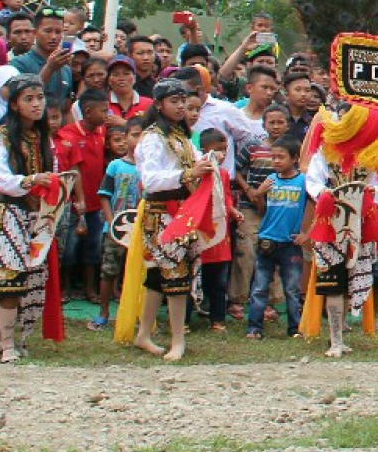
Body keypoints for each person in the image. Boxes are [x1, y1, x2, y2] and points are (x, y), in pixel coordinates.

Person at [119, 78, 215, 361]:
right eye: (174, 101)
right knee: (174, 276)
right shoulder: (152, 138)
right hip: (162, 211)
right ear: (159, 105)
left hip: (181, 210)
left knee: (157, 277)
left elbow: (193, 162)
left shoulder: (180, 135)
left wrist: (206, 164)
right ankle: (177, 340)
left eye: (183, 101)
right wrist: (188, 175)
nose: (181, 106)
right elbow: (150, 179)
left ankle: (145, 335)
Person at [0, 75, 61, 363]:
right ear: (13, 104)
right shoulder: (1, 137)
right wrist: (32, 180)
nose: (37, 104)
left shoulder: (43, 138)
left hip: (35, 214)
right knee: (11, 280)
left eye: (40, 98)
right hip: (8, 212)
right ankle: (7, 344)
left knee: (33, 279)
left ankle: (1, 335)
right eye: (29, 99)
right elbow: (2, 178)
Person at [302, 143, 377, 356]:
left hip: (361, 222)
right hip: (332, 222)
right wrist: (325, 194)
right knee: (333, 283)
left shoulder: (373, 150)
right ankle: (336, 340)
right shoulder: (325, 151)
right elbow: (314, 183)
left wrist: (370, 194)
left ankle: (339, 335)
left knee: (351, 281)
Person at [246, 135, 307, 339]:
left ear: (294, 158)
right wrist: (260, 193)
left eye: (281, 157)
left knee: (291, 288)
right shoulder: (270, 180)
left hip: (290, 242)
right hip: (267, 239)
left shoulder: (303, 181)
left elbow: (317, 207)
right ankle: (254, 327)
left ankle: (294, 328)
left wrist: (307, 233)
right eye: (273, 157)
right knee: (260, 287)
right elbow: (262, 208)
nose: (276, 161)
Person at [232, 104, 289, 321]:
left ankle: (268, 302)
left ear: (287, 124)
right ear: (263, 124)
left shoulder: (294, 149)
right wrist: (250, 191)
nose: (275, 126)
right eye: (271, 122)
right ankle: (237, 299)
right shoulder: (253, 146)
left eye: (280, 122)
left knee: (272, 253)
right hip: (249, 207)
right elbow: (236, 169)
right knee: (246, 251)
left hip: (278, 210)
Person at [55, 89, 110, 307]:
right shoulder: (68, 135)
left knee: (93, 247)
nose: (106, 115)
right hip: (74, 203)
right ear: (87, 111)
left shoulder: (101, 132)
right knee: (69, 248)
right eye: (103, 110)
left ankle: (90, 288)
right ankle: (64, 287)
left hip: (96, 203)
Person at [90, 120, 142, 331]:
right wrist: (112, 221)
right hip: (115, 228)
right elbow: (104, 195)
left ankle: (137, 315)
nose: (138, 141)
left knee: (137, 272)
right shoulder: (115, 166)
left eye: (142, 136)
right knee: (109, 270)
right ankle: (103, 313)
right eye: (134, 135)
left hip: (140, 230)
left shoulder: (149, 168)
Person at [195, 128, 240, 332]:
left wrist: (232, 211)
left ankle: (218, 320)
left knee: (219, 281)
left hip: (221, 236)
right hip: (200, 233)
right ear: (203, 151)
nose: (221, 155)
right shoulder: (196, 173)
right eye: (217, 150)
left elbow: (226, 198)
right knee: (193, 277)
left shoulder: (223, 174)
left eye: (224, 150)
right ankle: (186, 319)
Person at [10, 7, 75, 113]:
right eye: (48, 31)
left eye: (58, 32)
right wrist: (49, 68)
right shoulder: (19, 63)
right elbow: (21, 98)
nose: (53, 36)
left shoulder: (66, 69)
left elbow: (66, 109)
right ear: (34, 33)